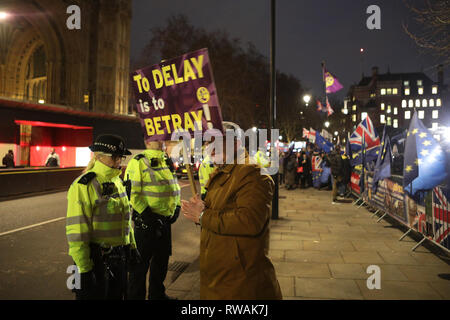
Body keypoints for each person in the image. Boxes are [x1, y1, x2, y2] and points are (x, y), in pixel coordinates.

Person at [181, 122, 282, 300]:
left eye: (216, 142)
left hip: (240, 284)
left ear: (236, 143)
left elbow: (249, 221)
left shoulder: (251, 173)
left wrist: (203, 216)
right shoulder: (224, 172)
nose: (209, 148)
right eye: (207, 143)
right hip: (221, 278)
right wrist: (203, 209)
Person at [66, 134, 137, 300]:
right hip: (95, 261)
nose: (119, 160)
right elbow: (77, 232)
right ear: (98, 156)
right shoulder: (84, 185)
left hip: (118, 259)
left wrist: (132, 246)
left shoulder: (117, 182)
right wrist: (84, 270)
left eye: (121, 156)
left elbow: (124, 220)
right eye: (114, 156)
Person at [125, 140, 181, 300]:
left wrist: (176, 207)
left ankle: (158, 295)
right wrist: (148, 216)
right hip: (146, 223)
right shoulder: (138, 161)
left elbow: (174, 187)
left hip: (164, 222)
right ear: (147, 141)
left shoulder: (166, 160)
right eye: (155, 137)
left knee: (161, 262)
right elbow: (132, 193)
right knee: (139, 268)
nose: (160, 140)